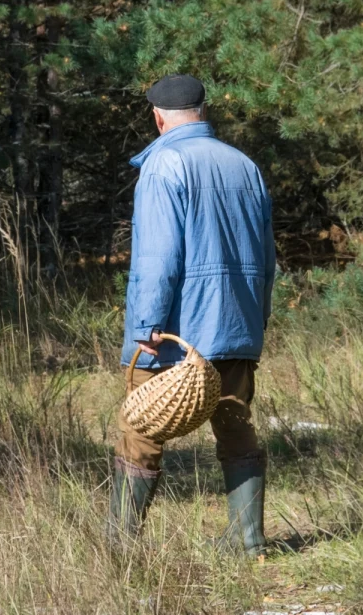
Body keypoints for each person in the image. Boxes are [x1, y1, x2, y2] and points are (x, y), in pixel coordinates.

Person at [107, 73, 276, 557]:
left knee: (140, 429)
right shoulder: (246, 165)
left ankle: (118, 547)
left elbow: (157, 258)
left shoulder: (164, 164)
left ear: (157, 117)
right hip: (237, 325)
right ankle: (248, 542)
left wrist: (146, 327)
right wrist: (255, 318)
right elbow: (267, 259)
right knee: (236, 425)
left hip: (176, 333)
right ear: (203, 111)